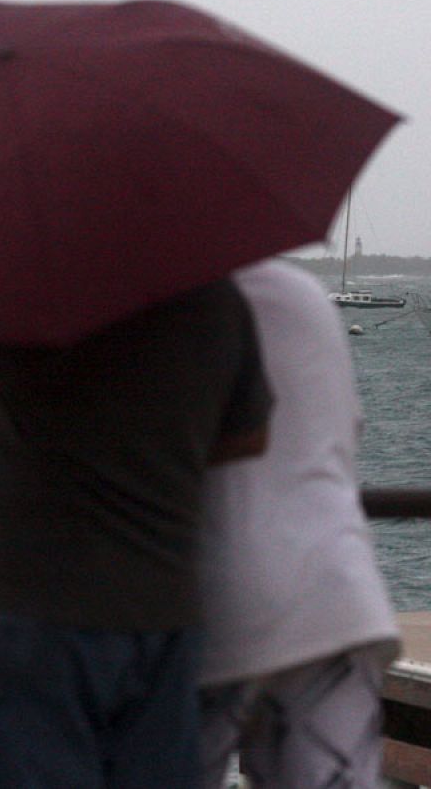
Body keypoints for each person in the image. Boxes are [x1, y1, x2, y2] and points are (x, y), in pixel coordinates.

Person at [0, 278, 272, 788]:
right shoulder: (213, 295)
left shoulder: (31, 282)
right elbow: (250, 434)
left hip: (32, 597)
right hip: (163, 603)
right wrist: (158, 457)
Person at [196, 259, 400, 789]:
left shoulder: (169, 309)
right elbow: (346, 429)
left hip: (211, 605)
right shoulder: (305, 298)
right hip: (333, 599)